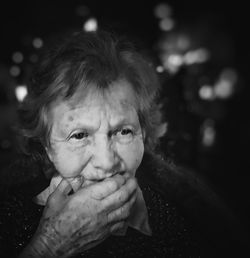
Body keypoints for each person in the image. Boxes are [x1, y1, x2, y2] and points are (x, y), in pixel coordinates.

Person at [0, 30, 248, 258]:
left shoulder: (188, 217)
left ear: (144, 134)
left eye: (123, 131)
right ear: (47, 146)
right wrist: (47, 247)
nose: (107, 162)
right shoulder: (7, 217)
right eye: (79, 135)